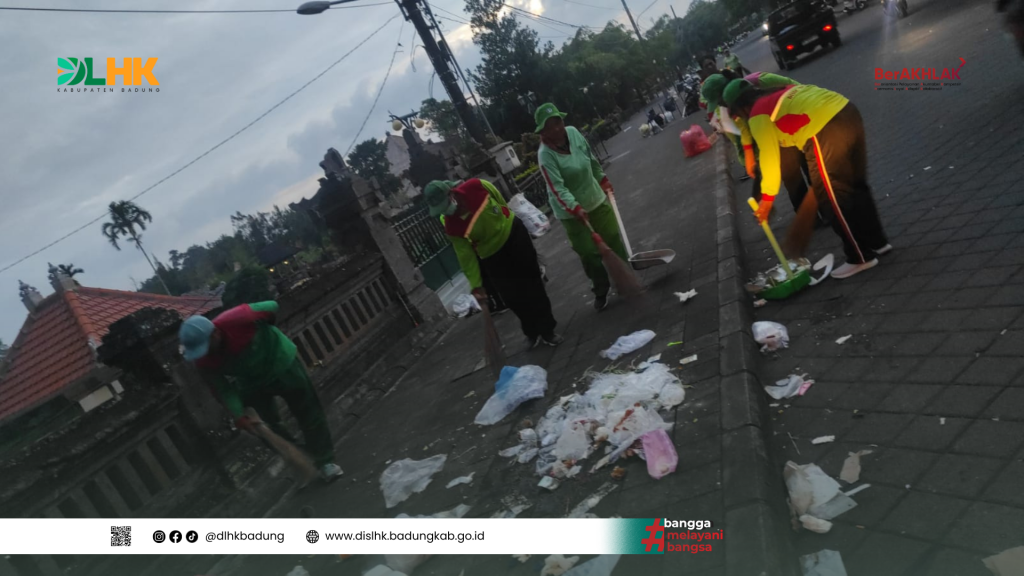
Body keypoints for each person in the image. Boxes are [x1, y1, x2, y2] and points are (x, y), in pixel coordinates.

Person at [723, 79, 891, 279]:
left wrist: (767, 199)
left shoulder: (758, 113)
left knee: (831, 199)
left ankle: (860, 257)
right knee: (856, 184)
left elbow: (769, 158)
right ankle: (878, 242)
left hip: (822, 129)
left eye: (736, 115)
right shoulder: (781, 91)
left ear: (741, 107)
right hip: (847, 110)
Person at [178, 302, 344, 482]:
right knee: (264, 426)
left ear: (216, 333)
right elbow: (222, 389)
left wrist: (267, 328)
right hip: (251, 380)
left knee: (308, 411)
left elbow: (272, 306)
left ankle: (325, 461)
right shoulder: (202, 361)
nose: (205, 353)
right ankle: (301, 457)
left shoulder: (239, 317)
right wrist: (238, 415)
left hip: (281, 361)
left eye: (206, 346)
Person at [425, 178, 562, 347]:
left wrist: (503, 222)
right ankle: (531, 331)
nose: (446, 211)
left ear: (451, 194)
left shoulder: (477, 186)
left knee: (532, 285)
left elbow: (500, 201)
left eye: (445, 205)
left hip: (514, 235)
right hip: (491, 254)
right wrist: (476, 285)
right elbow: (465, 256)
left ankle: (548, 330)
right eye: (441, 210)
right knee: (511, 297)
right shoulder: (451, 226)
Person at [535, 102, 627, 312]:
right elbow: (557, 188)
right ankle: (601, 288)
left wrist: (602, 179)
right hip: (570, 212)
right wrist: (574, 207)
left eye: (558, 122)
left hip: (595, 198)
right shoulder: (545, 155)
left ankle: (624, 278)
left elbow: (590, 159)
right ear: (543, 131)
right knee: (589, 253)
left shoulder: (574, 133)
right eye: (550, 126)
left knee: (613, 238)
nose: (556, 128)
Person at [702, 70, 815, 216]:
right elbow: (745, 131)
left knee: (811, 168)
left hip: (798, 120)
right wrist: (749, 157)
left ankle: (827, 206)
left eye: (719, 101)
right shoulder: (731, 105)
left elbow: (796, 87)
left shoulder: (760, 81)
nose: (721, 105)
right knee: (791, 176)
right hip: (776, 132)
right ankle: (808, 215)